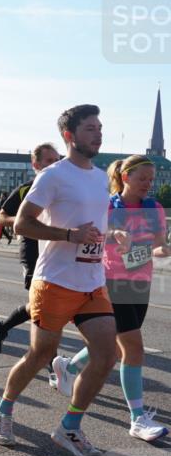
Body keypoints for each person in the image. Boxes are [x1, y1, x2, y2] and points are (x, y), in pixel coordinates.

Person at [0, 104, 117, 456]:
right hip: (55, 281)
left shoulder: (100, 176)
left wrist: (111, 236)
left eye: (100, 127)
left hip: (91, 281)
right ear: (69, 136)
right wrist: (68, 235)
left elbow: (95, 223)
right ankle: (2, 408)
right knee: (40, 353)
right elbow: (21, 223)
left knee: (107, 355)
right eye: (91, 128)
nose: (99, 133)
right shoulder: (53, 176)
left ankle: (69, 428)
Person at [55, 155, 169, 441]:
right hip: (110, 282)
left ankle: (68, 367)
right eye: (142, 178)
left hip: (140, 284)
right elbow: (91, 237)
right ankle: (137, 419)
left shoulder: (153, 208)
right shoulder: (108, 205)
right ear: (126, 177)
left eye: (151, 179)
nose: (148, 184)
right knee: (133, 349)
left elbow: (159, 247)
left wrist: (161, 251)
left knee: (117, 348)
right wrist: (113, 235)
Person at [0, 144, 63, 391]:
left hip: (59, 254)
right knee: (47, 309)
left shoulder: (64, 189)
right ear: (36, 164)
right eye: (48, 160)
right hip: (32, 253)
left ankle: (1, 327)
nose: (53, 164)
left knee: (48, 307)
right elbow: (0, 217)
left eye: (57, 159)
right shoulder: (26, 190)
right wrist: (21, 221)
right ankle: (54, 368)